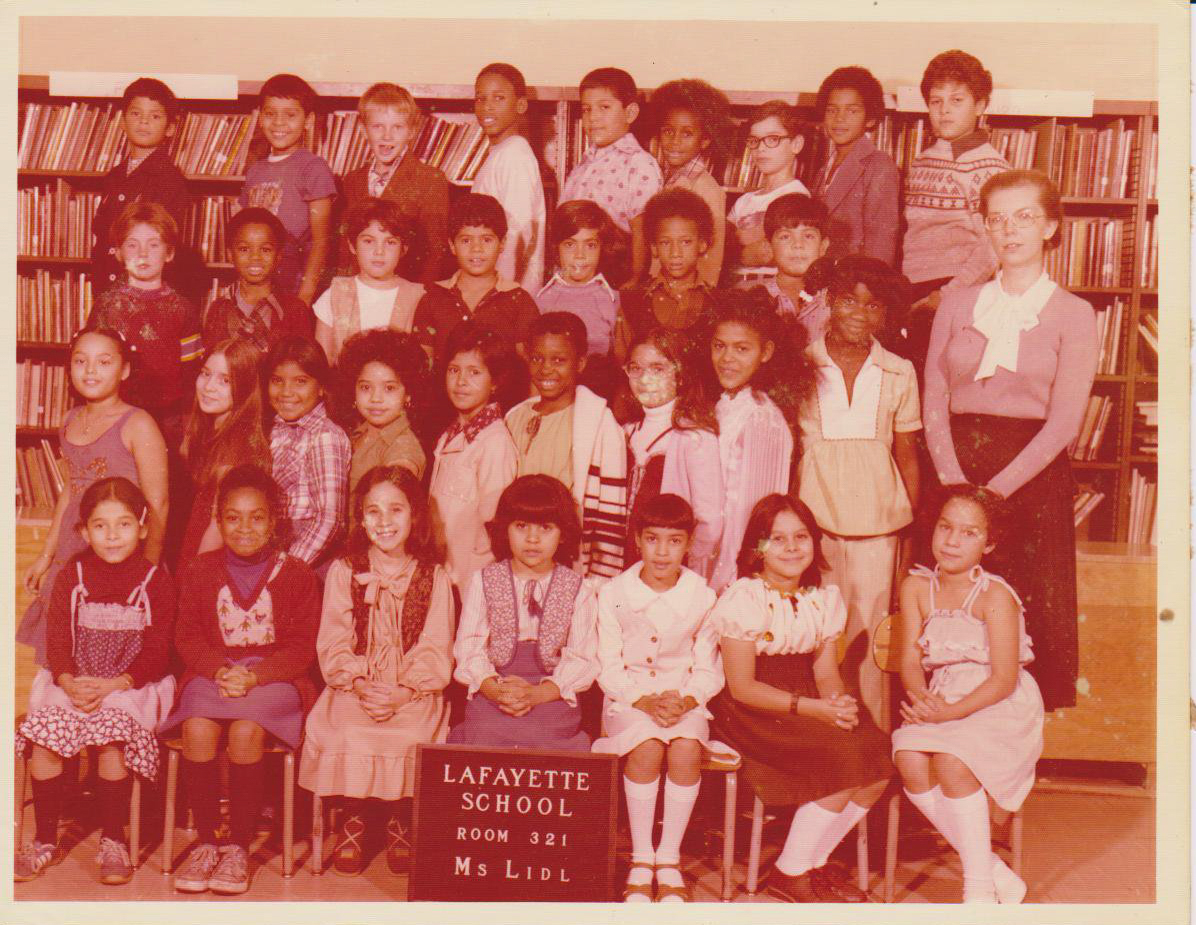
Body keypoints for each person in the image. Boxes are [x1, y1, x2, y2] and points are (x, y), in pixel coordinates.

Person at [922, 168, 1097, 711]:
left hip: (1028, 481)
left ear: (1050, 227)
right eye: (997, 219)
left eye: (1024, 217)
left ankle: (1011, 734)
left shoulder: (1076, 314)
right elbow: (934, 397)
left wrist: (991, 495)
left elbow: (1064, 424)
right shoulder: (957, 304)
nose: (1009, 230)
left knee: (1022, 613)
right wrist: (955, 483)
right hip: (952, 472)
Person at [710, 494, 891, 903]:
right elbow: (742, 687)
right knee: (843, 759)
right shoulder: (744, 598)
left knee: (878, 758)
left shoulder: (821, 599)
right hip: (754, 711)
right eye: (778, 538)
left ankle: (811, 863)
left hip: (807, 699)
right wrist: (814, 710)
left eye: (801, 536)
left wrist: (838, 705)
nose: (791, 548)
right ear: (758, 547)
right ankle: (789, 873)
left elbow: (825, 673)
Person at [160, 465, 321, 895]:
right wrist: (219, 670)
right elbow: (187, 637)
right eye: (233, 517)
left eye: (256, 517)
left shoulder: (297, 574)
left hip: (273, 679)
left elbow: (302, 648)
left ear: (273, 522)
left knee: (246, 731)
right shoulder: (199, 570)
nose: (244, 528)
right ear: (218, 519)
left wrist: (254, 676)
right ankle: (207, 842)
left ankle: (237, 848)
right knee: (197, 728)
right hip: (213, 672)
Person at [15, 478, 177, 885]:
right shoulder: (72, 574)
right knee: (45, 735)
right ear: (85, 532)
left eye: (124, 524)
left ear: (142, 528)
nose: (112, 535)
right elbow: (57, 639)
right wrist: (68, 680)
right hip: (74, 680)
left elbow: (157, 651)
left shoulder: (155, 580)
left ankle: (113, 839)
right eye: (100, 526)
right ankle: (44, 839)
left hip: (129, 687)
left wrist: (116, 684)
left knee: (112, 739)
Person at [301, 466, 456, 876]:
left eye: (395, 510)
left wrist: (405, 690)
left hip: (411, 688)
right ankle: (354, 816)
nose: (384, 521)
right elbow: (334, 639)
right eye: (373, 511)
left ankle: (398, 817)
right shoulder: (344, 570)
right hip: (356, 684)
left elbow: (436, 645)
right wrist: (359, 683)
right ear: (361, 518)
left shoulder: (434, 575)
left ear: (415, 516)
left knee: (412, 732)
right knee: (348, 729)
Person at [892, 486, 1043, 904]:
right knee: (908, 757)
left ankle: (977, 890)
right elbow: (909, 659)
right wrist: (921, 699)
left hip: (996, 702)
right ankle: (993, 872)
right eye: (945, 527)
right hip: (942, 695)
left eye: (969, 533)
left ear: (989, 544)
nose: (952, 541)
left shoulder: (995, 596)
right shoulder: (916, 587)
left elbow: (1004, 679)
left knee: (952, 762)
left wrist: (950, 713)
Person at [796, 255, 921, 726]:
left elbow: (907, 456)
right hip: (815, 528)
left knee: (872, 642)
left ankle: (872, 743)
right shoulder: (802, 362)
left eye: (873, 306)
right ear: (830, 301)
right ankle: (825, 744)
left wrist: (908, 538)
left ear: (885, 314)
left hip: (879, 529)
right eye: (849, 301)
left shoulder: (898, 371)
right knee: (821, 637)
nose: (859, 314)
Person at [593, 494, 731, 903]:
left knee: (686, 749)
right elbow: (608, 666)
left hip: (683, 700)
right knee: (648, 747)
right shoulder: (615, 593)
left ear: (688, 544)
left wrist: (687, 699)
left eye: (674, 541)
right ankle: (641, 859)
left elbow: (708, 668)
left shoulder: (701, 597)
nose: (662, 552)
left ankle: (668, 860)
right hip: (628, 700)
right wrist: (643, 700)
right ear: (637, 540)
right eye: (652, 539)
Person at [19, 327, 169, 663]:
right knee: (64, 646)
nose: (90, 371)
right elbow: (69, 492)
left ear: (124, 370)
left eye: (104, 362)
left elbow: (158, 503)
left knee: (112, 648)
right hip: (74, 548)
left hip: (119, 549)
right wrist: (46, 555)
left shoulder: (138, 424)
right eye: (80, 361)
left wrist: (147, 572)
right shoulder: (70, 420)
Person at [448, 475, 599, 749]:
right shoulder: (484, 580)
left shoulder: (578, 588)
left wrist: (538, 694)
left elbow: (582, 658)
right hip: (494, 689)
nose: (532, 538)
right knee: (485, 731)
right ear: (504, 529)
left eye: (545, 527)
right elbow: (469, 647)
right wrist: (496, 690)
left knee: (544, 735)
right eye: (521, 526)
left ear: (563, 533)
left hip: (551, 694)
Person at [901, 50, 1010, 371]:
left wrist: (947, 294)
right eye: (936, 101)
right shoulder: (922, 161)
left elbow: (994, 248)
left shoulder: (991, 168)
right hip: (915, 290)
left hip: (960, 293)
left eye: (957, 100)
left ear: (980, 105)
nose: (944, 110)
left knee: (950, 382)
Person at [506, 312, 628, 578]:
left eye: (559, 360)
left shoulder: (598, 424)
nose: (546, 369)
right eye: (537, 359)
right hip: (517, 555)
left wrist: (599, 580)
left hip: (566, 560)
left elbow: (610, 515)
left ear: (580, 363)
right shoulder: (515, 417)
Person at [706, 289, 812, 591]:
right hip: (711, 552)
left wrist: (730, 577)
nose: (727, 359)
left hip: (733, 569)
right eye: (719, 346)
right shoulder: (726, 404)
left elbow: (754, 515)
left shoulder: (761, 417)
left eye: (742, 349)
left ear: (765, 353)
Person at [89, 202, 204, 448]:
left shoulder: (183, 309)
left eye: (154, 245)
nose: (143, 254)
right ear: (118, 253)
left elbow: (191, 373)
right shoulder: (107, 306)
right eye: (132, 244)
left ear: (169, 253)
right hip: (115, 417)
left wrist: (189, 429)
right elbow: (93, 368)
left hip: (169, 420)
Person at [621, 327, 722, 581]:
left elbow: (708, 520)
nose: (645, 379)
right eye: (635, 368)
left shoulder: (694, 437)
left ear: (680, 374)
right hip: (622, 563)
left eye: (658, 369)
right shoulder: (624, 431)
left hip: (669, 568)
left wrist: (687, 575)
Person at [89, 77, 200, 305]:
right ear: (122, 121)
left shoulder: (170, 180)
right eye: (136, 113)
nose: (144, 121)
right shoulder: (114, 177)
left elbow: (166, 247)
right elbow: (103, 237)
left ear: (170, 128)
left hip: (145, 295)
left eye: (155, 116)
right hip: (107, 291)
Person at [429, 322, 521, 593]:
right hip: (442, 576)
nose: (461, 382)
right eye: (454, 370)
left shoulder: (495, 443)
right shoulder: (449, 435)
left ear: (496, 382)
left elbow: (493, 531)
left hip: (470, 583)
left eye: (474, 372)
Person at [338, 82, 451, 285]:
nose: (387, 136)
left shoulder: (430, 180)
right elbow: (345, 250)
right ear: (363, 129)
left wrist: (421, 297)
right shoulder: (352, 180)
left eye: (397, 127)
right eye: (378, 126)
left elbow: (436, 254)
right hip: (359, 290)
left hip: (407, 292)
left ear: (411, 131)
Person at [238, 73, 337, 305]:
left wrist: (305, 295)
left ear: (308, 120)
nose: (279, 123)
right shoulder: (255, 171)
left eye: (290, 115)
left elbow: (321, 241)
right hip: (257, 278)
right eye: (270, 114)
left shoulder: (313, 168)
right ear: (260, 118)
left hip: (293, 279)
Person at [177, 338, 272, 566]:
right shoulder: (211, 429)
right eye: (205, 374)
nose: (209, 386)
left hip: (211, 556)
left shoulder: (237, 447)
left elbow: (217, 528)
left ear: (246, 387)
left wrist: (194, 575)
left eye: (225, 380)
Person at [562, 67, 663, 281]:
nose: (593, 117)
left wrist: (634, 280)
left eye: (604, 107)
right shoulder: (584, 162)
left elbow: (641, 231)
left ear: (630, 113)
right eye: (586, 109)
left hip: (613, 275)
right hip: (575, 271)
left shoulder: (639, 163)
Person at [412, 193, 540, 361]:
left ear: (502, 243)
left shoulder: (520, 302)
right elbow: (423, 365)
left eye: (486, 240)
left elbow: (526, 366)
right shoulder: (432, 299)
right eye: (466, 240)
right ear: (452, 245)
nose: (476, 249)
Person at [264, 336, 351, 571]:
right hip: (275, 544)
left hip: (309, 555)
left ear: (322, 387)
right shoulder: (275, 431)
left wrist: (285, 572)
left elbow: (330, 520)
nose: (286, 392)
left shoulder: (324, 435)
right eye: (277, 380)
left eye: (300, 381)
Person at [314, 198, 426, 364]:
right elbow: (322, 363)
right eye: (368, 241)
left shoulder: (418, 297)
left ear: (404, 248)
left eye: (390, 242)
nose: (379, 251)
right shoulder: (334, 295)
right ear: (352, 245)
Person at [810, 66, 900, 266]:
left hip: (856, 278)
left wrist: (869, 283)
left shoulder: (879, 165)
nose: (839, 118)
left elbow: (881, 242)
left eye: (852, 110)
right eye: (832, 110)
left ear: (870, 119)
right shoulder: (823, 169)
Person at [648, 78, 734, 287]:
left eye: (687, 134)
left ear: (705, 140)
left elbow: (712, 259)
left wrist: (700, 298)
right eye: (668, 131)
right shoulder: (660, 179)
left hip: (688, 294)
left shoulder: (707, 189)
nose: (675, 141)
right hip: (659, 287)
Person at [615, 188, 718, 361]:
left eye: (686, 242)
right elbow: (622, 363)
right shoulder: (631, 301)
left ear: (702, 244)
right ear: (654, 248)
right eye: (665, 243)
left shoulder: (717, 303)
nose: (675, 253)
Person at [472, 62, 547, 292]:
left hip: (508, 290)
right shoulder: (501, 152)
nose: (487, 107)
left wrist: (503, 292)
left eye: (499, 98)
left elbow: (519, 232)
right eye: (480, 98)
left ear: (520, 105)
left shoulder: (515, 153)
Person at [200, 207, 316, 352]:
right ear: (230, 255)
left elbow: (304, 361)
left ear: (278, 256)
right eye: (244, 249)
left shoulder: (295, 310)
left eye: (265, 250)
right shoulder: (218, 309)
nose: (255, 257)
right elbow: (211, 357)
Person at [333, 327, 430, 494]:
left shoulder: (403, 448)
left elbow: (392, 497)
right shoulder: (356, 433)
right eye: (365, 387)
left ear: (408, 394)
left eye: (389, 388)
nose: (375, 398)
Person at [726, 100, 811, 285]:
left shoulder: (797, 197)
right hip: (735, 287)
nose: (761, 148)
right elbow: (720, 244)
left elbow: (769, 253)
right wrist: (747, 243)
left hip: (771, 289)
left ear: (796, 144)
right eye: (754, 141)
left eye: (772, 139)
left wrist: (735, 243)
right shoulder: (744, 201)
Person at [535, 199, 626, 358]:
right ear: (556, 247)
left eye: (590, 245)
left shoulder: (613, 300)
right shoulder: (541, 300)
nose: (580, 255)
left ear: (602, 248)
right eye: (570, 244)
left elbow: (621, 359)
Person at [740, 193, 832, 344]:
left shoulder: (835, 301)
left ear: (823, 246)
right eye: (785, 237)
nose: (798, 245)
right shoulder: (749, 297)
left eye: (808, 236)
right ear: (769, 247)